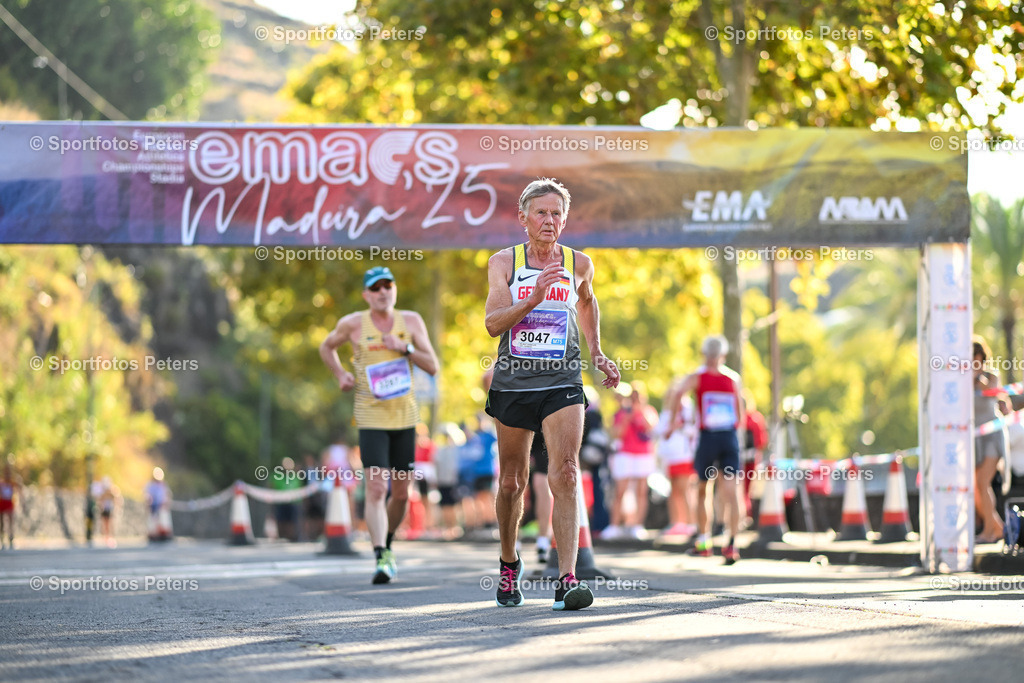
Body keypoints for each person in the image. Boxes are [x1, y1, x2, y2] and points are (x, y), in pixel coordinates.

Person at [484, 177, 620, 610]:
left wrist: (597, 352)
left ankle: (567, 578)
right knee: (512, 482)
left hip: (562, 379)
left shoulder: (580, 262)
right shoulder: (504, 262)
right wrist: (534, 297)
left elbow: (587, 300)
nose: (549, 220)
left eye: (556, 212)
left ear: (565, 219)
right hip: (515, 381)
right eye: (541, 212)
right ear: (523, 218)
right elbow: (492, 323)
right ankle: (509, 562)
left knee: (565, 472)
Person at [320, 266, 439, 584]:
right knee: (376, 487)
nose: (383, 292)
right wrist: (341, 374)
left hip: (405, 418)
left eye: (388, 286)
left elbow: (433, 366)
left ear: (394, 290)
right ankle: (379, 555)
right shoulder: (352, 324)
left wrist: (406, 348)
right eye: (375, 288)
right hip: (371, 417)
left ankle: (387, 543)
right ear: (366, 295)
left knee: (401, 493)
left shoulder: (411, 321)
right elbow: (326, 346)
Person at [671, 335, 745, 564]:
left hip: (714, 437)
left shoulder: (701, 377)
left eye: (714, 356)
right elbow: (740, 413)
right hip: (724, 436)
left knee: (717, 491)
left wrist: (675, 421)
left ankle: (717, 542)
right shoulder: (730, 378)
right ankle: (721, 543)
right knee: (717, 491)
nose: (712, 360)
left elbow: (677, 393)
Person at [607, 381, 659, 539]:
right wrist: (627, 417)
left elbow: (651, 428)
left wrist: (640, 412)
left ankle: (637, 525)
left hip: (643, 454)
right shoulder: (621, 413)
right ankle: (614, 526)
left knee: (641, 492)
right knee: (620, 491)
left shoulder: (648, 411)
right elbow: (616, 434)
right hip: (625, 454)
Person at [973, 336, 1011, 544]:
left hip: (992, 436)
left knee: (982, 481)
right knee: (977, 485)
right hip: (976, 439)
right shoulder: (962, 380)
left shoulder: (990, 376)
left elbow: (992, 393)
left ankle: (990, 530)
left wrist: (978, 378)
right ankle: (998, 528)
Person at [658, 382, 698, 538]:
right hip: (670, 457)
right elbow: (660, 431)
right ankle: (677, 522)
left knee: (685, 489)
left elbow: (693, 430)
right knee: (674, 490)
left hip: (684, 455)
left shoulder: (688, 409)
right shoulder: (666, 412)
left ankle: (691, 523)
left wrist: (679, 427)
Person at [0, 461, 22, 549]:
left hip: (9, 503)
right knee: (1, 523)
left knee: (10, 521)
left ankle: (11, 539)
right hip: (2, 503)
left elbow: (19, 489)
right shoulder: (1, 483)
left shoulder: (12, 482)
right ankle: (2, 540)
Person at [97, 476, 122, 548]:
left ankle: (111, 538)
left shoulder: (113, 490)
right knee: (105, 523)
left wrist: (117, 508)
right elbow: (99, 500)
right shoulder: (102, 491)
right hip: (104, 509)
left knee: (111, 523)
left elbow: (117, 499)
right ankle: (106, 538)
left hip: (111, 509)